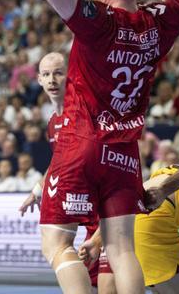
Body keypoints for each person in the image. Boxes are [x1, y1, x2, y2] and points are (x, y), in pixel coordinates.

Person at [40, 0, 179, 294]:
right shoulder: (161, 19)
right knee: (122, 251)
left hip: (81, 140)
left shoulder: (101, 22)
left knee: (58, 245)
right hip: (124, 153)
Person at [19, 52, 115, 293]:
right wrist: (38, 189)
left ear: (70, 75)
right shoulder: (53, 122)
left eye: (59, 73)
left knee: (57, 246)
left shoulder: (85, 106)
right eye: (46, 74)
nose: (52, 80)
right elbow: (60, 160)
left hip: (105, 209)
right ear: (39, 80)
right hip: (89, 215)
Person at [80, 154, 179, 294]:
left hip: (133, 217)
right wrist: (165, 189)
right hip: (154, 223)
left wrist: (96, 240)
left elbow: (138, 199)